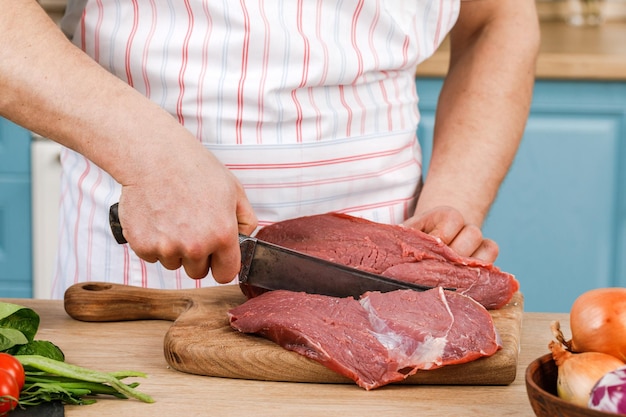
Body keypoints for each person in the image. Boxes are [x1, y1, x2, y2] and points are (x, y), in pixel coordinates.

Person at [0, 0, 539, 298]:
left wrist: (455, 204)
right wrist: (149, 153)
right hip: (140, 263)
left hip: (389, 260)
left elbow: (498, 19)